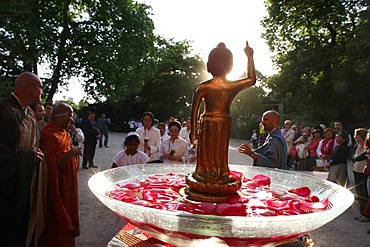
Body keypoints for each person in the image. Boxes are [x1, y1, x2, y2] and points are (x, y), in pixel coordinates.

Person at [189, 41, 256, 184]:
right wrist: (193, 131)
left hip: (218, 124)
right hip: (211, 123)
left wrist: (250, 57)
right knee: (208, 151)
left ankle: (219, 174)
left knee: (219, 153)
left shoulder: (212, 86)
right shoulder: (204, 87)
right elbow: (194, 111)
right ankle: (204, 172)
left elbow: (251, 80)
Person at [0, 71, 46, 247]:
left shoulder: (26, 112)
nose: (41, 93)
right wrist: (29, 156)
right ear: (30, 88)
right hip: (6, 190)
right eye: (40, 88)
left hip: (22, 182)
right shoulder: (4, 110)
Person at [39, 102, 82, 247]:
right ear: (62, 117)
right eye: (70, 117)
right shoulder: (49, 135)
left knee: (70, 214)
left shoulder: (64, 133)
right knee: (59, 221)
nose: (72, 120)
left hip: (69, 185)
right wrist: (72, 152)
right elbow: (52, 166)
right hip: (58, 186)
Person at [352, 128, 370, 218]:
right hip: (356, 170)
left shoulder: (366, 147)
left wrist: (357, 157)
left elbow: (360, 157)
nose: (355, 136)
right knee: (359, 192)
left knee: (365, 193)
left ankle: (366, 214)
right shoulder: (357, 145)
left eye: (356, 135)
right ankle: (361, 212)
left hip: (364, 172)